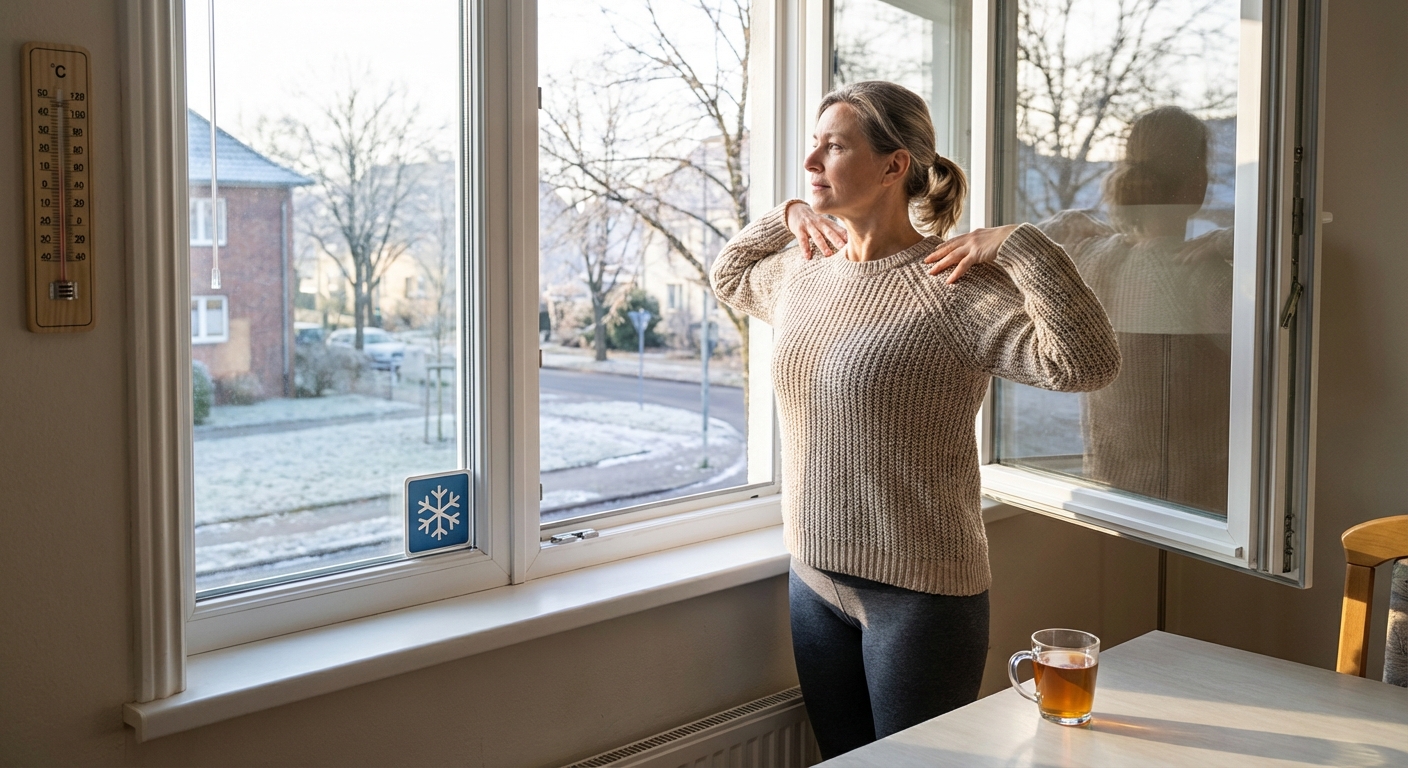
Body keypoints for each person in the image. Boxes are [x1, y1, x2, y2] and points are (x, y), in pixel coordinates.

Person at [709, 80, 1121, 759]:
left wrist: (1022, 246)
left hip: (923, 596)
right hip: (814, 577)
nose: (811, 162)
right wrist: (786, 219)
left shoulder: (952, 286)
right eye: (812, 145)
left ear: (895, 165)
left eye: (834, 147)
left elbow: (1085, 364)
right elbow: (729, 274)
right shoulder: (802, 272)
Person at [1036, 105, 1233, 513]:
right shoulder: (1205, 275)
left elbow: (1014, 258)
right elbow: (1278, 356)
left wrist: (1067, 223)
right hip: (1197, 507)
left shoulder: (1091, 258)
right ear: (1198, 184)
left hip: (1111, 491)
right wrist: (1234, 242)